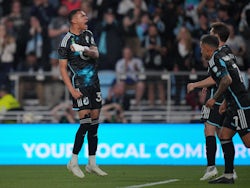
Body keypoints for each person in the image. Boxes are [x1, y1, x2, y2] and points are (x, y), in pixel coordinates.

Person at [58, 9, 107, 178]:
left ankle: (92, 163)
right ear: (73, 21)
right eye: (82, 15)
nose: (86, 17)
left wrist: (82, 48)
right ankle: (73, 161)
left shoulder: (88, 34)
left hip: (95, 83)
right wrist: (71, 90)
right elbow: (62, 69)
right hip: (80, 85)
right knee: (85, 123)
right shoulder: (65, 41)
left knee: (94, 125)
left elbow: (96, 54)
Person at [187, 22, 237, 181]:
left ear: (216, 36)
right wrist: (208, 85)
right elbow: (218, 77)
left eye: (211, 32)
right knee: (222, 133)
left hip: (219, 96)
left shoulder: (217, 54)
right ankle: (230, 170)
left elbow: (222, 78)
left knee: (209, 128)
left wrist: (197, 84)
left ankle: (211, 168)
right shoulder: (227, 51)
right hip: (224, 95)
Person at [200, 34, 250, 184]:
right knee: (224, 135)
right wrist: (226, 102)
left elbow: (227, 80)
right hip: (233, 103)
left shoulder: (214, 60)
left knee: (248, 143)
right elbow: (232, 79)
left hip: (240, 105)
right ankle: (228, 175)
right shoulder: (223, 55)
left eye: (202, 49)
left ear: (208, 49)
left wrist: (214, 98)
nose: (201, 52)